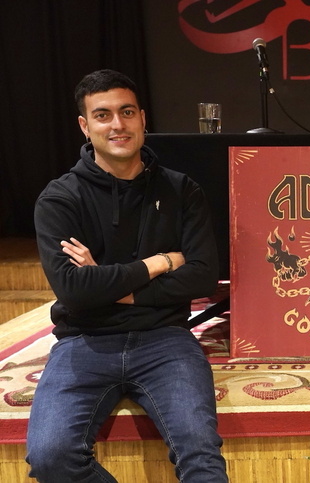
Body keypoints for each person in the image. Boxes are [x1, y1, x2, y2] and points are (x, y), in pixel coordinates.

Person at [26, 69, 228, 482]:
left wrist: (107, 284)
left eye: (127, 112)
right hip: (84, 340)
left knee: (200, 454)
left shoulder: (181, 190)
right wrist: (161, 262)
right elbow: (74, 292)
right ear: (85, 126)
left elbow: (204, 277)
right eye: (103, 115)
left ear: (143, 118)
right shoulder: (60, 198)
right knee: (50, 457)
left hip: (165, 339)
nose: (117, 124)